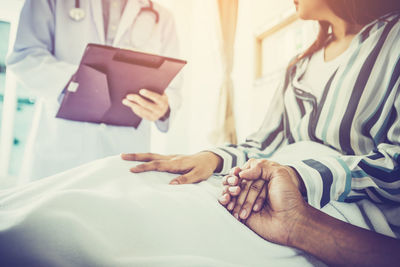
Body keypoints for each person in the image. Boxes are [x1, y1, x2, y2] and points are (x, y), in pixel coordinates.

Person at [121, 0, 400, 265]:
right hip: (274, 180)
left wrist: (299, 176)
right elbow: (266, 142)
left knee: (179, 226)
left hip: (337, 201)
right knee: (146, 188)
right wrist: (213, 158)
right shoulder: (299, 64)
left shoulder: (394, 40)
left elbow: (395, 162)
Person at [6, 0, 182, 181]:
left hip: (125, 152)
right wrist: (77, 81)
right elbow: (24, 55)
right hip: (62, 144)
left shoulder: (163, 18)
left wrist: (163, 108)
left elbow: (174, 86)